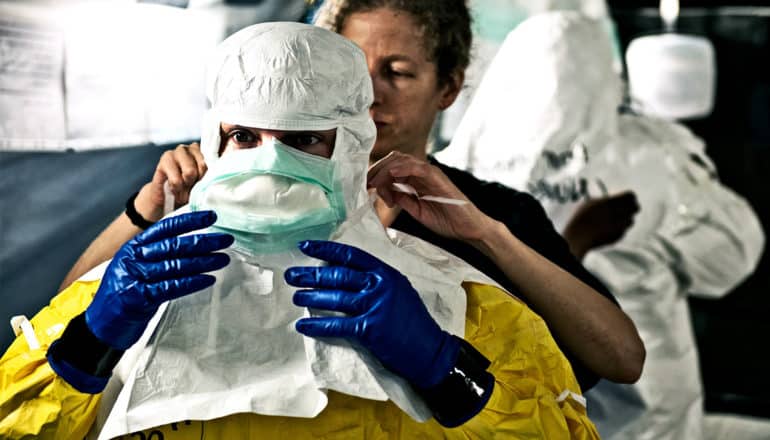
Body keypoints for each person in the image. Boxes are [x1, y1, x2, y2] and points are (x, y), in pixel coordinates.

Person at [1, 22, 600, 439]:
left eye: (305, 139)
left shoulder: (462, 308)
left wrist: (448, 371)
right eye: (245, 137)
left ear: (355, 147)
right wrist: (87, 344)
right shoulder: (126, 291)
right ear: (212, 142)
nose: (269, 162)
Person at [436, 12, 765, 439]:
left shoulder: (455, 170)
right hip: (651, 419)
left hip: (520, 410)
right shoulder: (656, 159)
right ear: (605, 74)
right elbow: (733, 261)